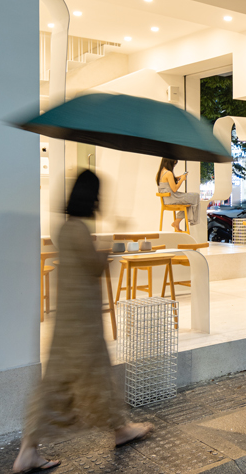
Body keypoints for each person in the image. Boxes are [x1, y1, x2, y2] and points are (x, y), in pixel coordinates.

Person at [13, 170, 151, 473]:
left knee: (55, 385)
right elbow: (94, 266)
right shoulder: (77, 231)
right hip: (84, 326)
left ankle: (29, 449)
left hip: (67, 324)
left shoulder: (65, 229)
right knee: (97, 376)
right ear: (91, 197)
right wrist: (112, 246)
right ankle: (120, 429)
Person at [156, 158, 200, 232]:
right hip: (173, 198)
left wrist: (177, 178)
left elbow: (167, 182)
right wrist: (182, 180)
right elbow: (174, 189)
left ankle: (176, 222)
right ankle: (178, 222)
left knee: (190, 202)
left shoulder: (160, 172)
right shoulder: (169, 173)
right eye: (174, 164)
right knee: (195, 196)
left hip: (167, 200)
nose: (174, 166)